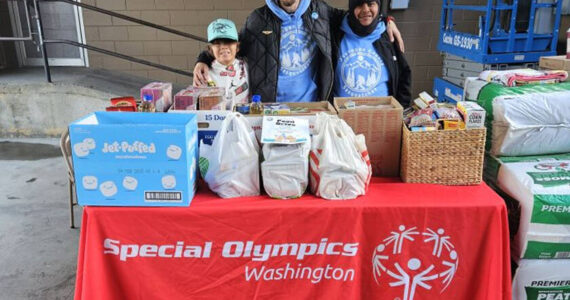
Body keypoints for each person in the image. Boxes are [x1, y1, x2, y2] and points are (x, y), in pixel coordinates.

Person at [193, 0, 404, 103]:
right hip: (271, 109)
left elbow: (356, 18)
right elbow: (232, 47)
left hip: (312, 107)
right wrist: (203, 58)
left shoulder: (320, 11)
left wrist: (386, 19)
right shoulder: (258, 19)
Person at [333, 0, 411, 108]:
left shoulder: (387, 36)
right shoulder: (336, 33)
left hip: (381, 117)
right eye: (359, 5)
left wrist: (402, 111)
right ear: (352, 8)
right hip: (342, 118)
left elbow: (404, 75)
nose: (365, 9)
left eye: (370, 4)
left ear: (378, 6)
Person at [201, 18, 249, 109]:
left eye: (228, 41)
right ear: (210, 49)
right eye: (217, 43)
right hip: (216, 120)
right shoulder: (204, 72)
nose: (223, 47)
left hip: (244, 118)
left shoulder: (247, 66)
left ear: (237, 46)